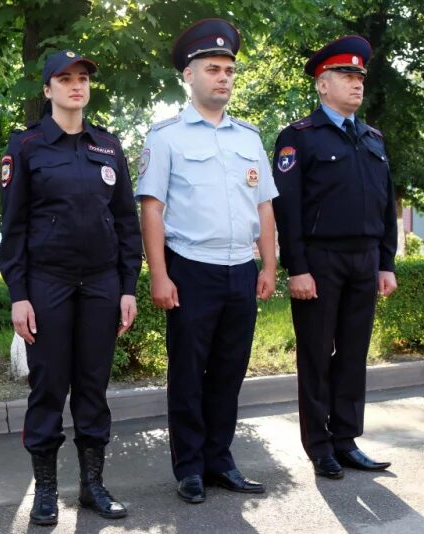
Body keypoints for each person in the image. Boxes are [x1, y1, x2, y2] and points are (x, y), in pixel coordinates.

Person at [137, 18, 278, 504]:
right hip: (190, 268)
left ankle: (221, 460)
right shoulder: (166, 137)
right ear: (189, 77)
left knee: (229, 372)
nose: (224, 77)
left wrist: (269, 264)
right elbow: (151, 209)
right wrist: (159, 274)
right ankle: (190, 468)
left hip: (241, 268)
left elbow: (264, 207)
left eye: (229, 70)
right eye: (213, 69)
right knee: (188, 373)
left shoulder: (250, 138)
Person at [0, 49, 142, 525]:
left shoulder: (108, 146)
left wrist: (127, 287)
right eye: (65, 79)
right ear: (47, 90)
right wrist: (19, 294)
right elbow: (13, 227)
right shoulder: (27, 146)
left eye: (82, 78)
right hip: (48, 284)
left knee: (93, 387)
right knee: (48, 386)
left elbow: (125, 221)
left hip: (101, 283)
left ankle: (94, 487)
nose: (76, 85)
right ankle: (45, 491)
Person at [271, 36, 398, 480]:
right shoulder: (299, 138)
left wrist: (387, 262)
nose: (357, 84)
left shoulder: (373, 138)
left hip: (364, 260)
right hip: (319, 261)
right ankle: (319, 446)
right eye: (346, 76)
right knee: (316, 354)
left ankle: (346, 439)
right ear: (322, 85)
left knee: (353, 354)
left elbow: (387, 206)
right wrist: (298, 267)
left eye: (360, 76)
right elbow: (287, 209)